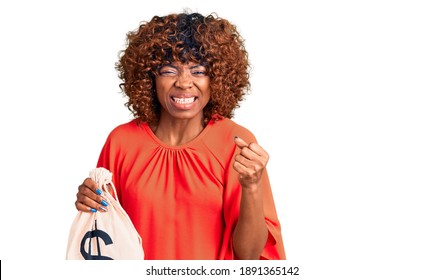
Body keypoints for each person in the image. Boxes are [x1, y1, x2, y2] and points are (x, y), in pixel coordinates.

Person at [75, 11, 285, 260]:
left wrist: (251, 187)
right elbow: (103, 240)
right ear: (149, 77)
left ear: (216, 78)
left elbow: (248, 257)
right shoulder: (121, 142)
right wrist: (89, 202)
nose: (184, 83)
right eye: (169, 70)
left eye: (198, 71)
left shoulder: (235, 141)